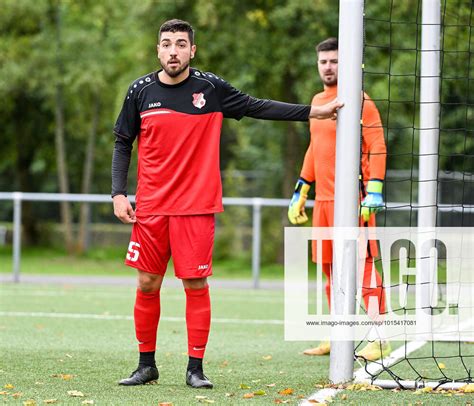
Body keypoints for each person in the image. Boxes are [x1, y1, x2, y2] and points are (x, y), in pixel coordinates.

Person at [112, 19, 342, 389]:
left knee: (195, 284)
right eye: (167, 44)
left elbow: (256, 106)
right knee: (147, 282)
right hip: (151, 206)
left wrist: (310, 111)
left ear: (192, 50)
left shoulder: (210, 88)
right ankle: (146, 365)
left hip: (196, 206)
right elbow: (123, 142)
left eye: (181, 44)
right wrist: (118, 193)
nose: (174, 50)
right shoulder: (140, 91)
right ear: (158, 50)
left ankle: (195, 368)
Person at [288, 37, 391, 361]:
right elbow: (314, 148)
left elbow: (378, 146)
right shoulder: (318, 102)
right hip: (323, 204)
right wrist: (301, 190)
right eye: (324, 62)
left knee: (364, 270)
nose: (328, 67)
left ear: (345, 64)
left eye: (334, 61)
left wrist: (374, 189)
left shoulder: (362, 101)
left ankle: (380, 337)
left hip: (353, 203)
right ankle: (336, 334)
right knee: (330, 270)